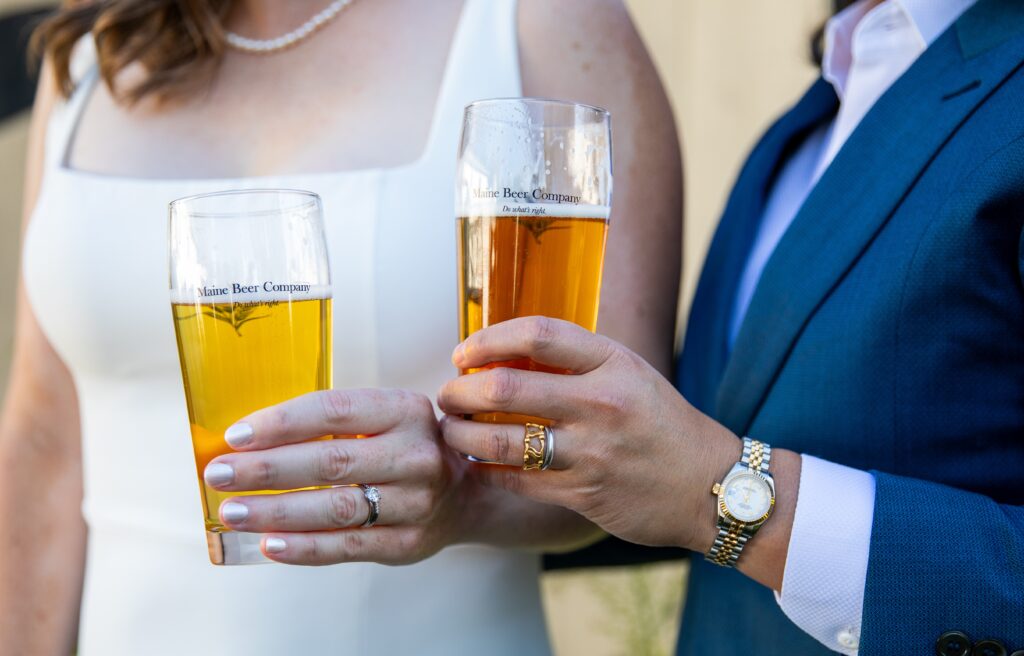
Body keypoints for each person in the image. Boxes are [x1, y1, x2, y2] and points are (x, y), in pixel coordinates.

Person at [0, 0, 681, 654]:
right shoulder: (96, 44)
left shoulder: (543, 22)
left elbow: (619, 448)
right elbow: (44, 445)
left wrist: (465, 503)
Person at [433, 0, 1024, 654]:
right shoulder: (807, 124)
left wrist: (728, 501)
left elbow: (697, 481)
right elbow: (649, 471)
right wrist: (459, 492)